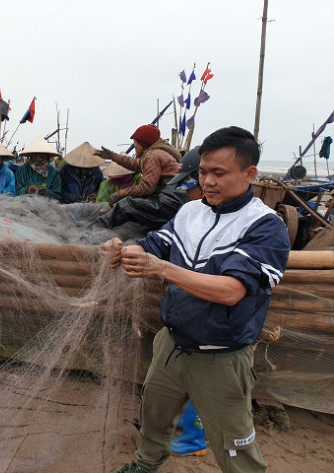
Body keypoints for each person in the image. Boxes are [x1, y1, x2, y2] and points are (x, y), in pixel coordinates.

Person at [102, 126, 291, 473]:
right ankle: (145, 465)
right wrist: (125, 248)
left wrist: (162, 270)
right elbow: (157, 244)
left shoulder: (264, 226)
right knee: (154, 417)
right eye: (203, 172)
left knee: (233, 440)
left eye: (219, 173)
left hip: (221, 355)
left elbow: (232, 290)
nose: (208, 181)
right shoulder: (191, 212)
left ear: (250, 174)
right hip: (171, 343)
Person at [95, 124, 181, 207]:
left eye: (135, 143)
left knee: (125, 206)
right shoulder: (155, 154)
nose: (135, 146)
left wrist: (121, 193)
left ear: (142, 144)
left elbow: (147, 187)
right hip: (169, 197)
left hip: (168, 200)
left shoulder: (153, 155)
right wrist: (113, 156)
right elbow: (135, 164)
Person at [15, 136, 62, 200]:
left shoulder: (54, 173)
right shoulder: (22, 171)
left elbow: (58, 196)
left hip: (48, 207)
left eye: (42, 156)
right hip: (25, 206)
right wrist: (27, 190)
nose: (38, 159)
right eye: (35, 156)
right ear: (31, 156)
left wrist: (46, 192)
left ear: (47, 157)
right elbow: (16, 191)